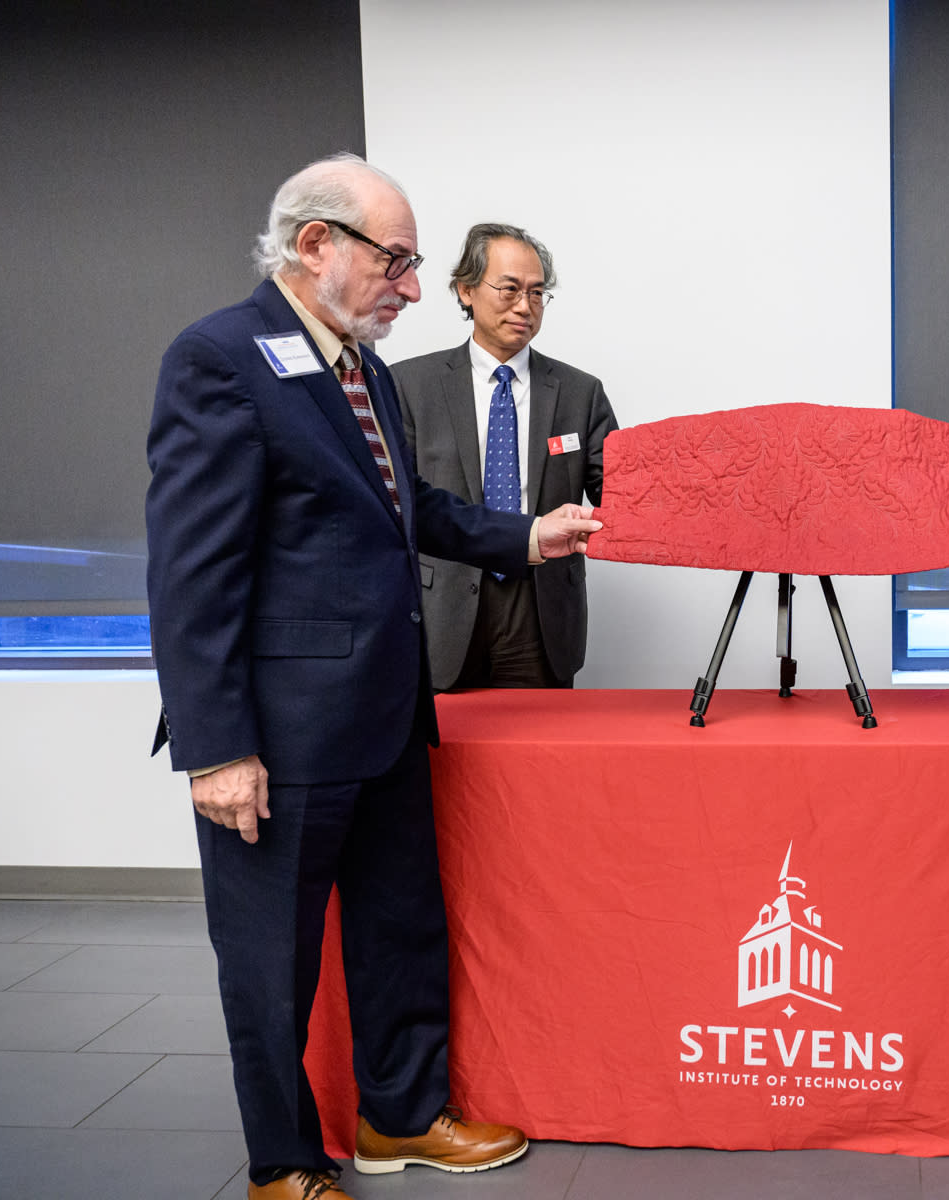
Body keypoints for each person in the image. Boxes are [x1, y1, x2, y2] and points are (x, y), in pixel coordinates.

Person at [145, 153, 601, 1200]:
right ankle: (284, 1165)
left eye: (411, 263)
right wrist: (216, 747)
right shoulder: (219, 358)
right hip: (282, 735)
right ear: (316, 245)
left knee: (401, 930)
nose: (408, 283)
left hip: (391, 715)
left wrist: (530, 533)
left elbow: (413, 514)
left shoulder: (363, 369)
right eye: (394, 261)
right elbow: (192, 570)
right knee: (272, 964)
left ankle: (399, 1117)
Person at [392, 223, 618, 690]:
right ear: (466, 289)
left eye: (538, 294)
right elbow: (396, 506)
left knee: (540, 756)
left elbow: (620, 494)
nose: (525, 306)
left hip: (541, 609)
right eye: (510, 288)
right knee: (445, 761)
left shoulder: (580, 392)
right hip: (443, 609)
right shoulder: (409, 386)